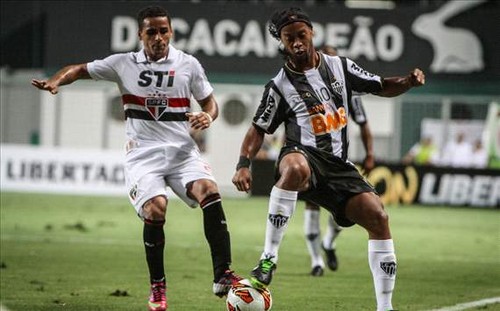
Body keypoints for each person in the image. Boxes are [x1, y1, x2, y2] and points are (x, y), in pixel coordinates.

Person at [32, 6, 240, 311]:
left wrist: (208, 116)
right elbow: (77, 69)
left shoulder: (188, 64)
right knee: (156, 210)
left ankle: (222, 274)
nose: (159, 37)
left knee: (210, 191)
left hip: (182, 153)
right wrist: (55, 81)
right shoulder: (123, 64)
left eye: (164, 31)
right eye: (151, 32)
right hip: (143, 156)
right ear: (140, 34)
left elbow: (210, 102)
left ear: (171, 32)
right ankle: (158, 287)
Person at [232, 7, 425, 311]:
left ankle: (385, 307)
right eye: (289, 38)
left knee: (379, 218)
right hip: (303, 156)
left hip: (339, 167)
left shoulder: (340, 66)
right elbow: (258, 128)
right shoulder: (280, 85)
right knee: (294, 167)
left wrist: (408, 82)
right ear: (282, 42)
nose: (296, 42)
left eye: (301, 35)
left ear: (311, 33)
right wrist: (244, 164)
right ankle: (268, 258)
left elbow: (382, 85)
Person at [304, 45, 376, 277]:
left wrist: (370, 153)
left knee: (344, 209)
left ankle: (329, 243)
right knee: (312, 205)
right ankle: (316, 262)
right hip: (313, 160)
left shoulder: (349, 92)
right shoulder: (305, 90)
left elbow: (364, 125)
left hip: (340, 161)